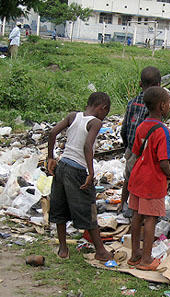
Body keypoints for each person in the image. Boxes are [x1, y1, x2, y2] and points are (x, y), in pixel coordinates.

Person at [47, 92, 113, 261]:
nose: (104, 116)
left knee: (59, 208)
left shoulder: (72, 116)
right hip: (77, 170)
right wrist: (91, 172)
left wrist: (50, 158)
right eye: (106, 113)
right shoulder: (95, 122)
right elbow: (87, 146)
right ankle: (100, 251)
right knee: (89, 208)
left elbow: (53, 132)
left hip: (62, 166)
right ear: (103, 108)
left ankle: (63, 249)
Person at [127, 86, 170, 271]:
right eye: (169, 103)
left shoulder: (142, 126)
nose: (169, 106)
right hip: (153, 181)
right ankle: (147, 259)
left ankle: (135, 254)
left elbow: (137, 152)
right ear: (162, 106)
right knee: (150, 219)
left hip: (138, 177)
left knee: (136, 217)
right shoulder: (162, 131)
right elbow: (164, 162)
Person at [120, 66, 162, 217]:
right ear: (159, 85)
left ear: (140, 84)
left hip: (131, 148)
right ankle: (138, 209)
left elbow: (124, 129)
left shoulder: (131, 103)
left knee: (128, 177)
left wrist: (127, 146)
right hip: (144, 153)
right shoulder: (153, 107)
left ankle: (122, 204)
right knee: (140, 181)